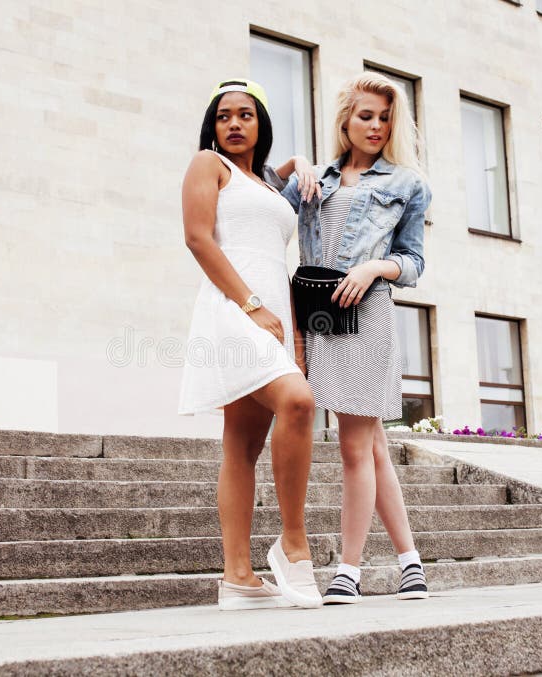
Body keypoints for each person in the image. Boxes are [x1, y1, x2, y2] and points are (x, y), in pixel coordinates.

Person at [271, 72, 432, 604]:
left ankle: (349, 570)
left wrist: (375, 268)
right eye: (366, 116)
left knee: (354, 444)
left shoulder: (407, 184)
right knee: (373, 445)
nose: (377, 126)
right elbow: (262, 202)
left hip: (366, 316)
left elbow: (413, 263)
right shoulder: (319, 178)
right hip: (317, 318)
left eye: (386, 118)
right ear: (345, 119)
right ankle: (411, 564)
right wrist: (297, 165)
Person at [178, 79, 323, 610]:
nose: (234, 124)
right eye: (223, 116)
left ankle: (237, 576)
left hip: (271, 315)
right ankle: (293, 542)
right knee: (298, 402)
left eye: (245, 115)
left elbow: (271, 224)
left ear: (261, 123)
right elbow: (197, 238)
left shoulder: (259, 183)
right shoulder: (206, 165)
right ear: (212, 127)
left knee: (242, 445)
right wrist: (249, 304)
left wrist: (293, 164)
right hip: (232, 308)